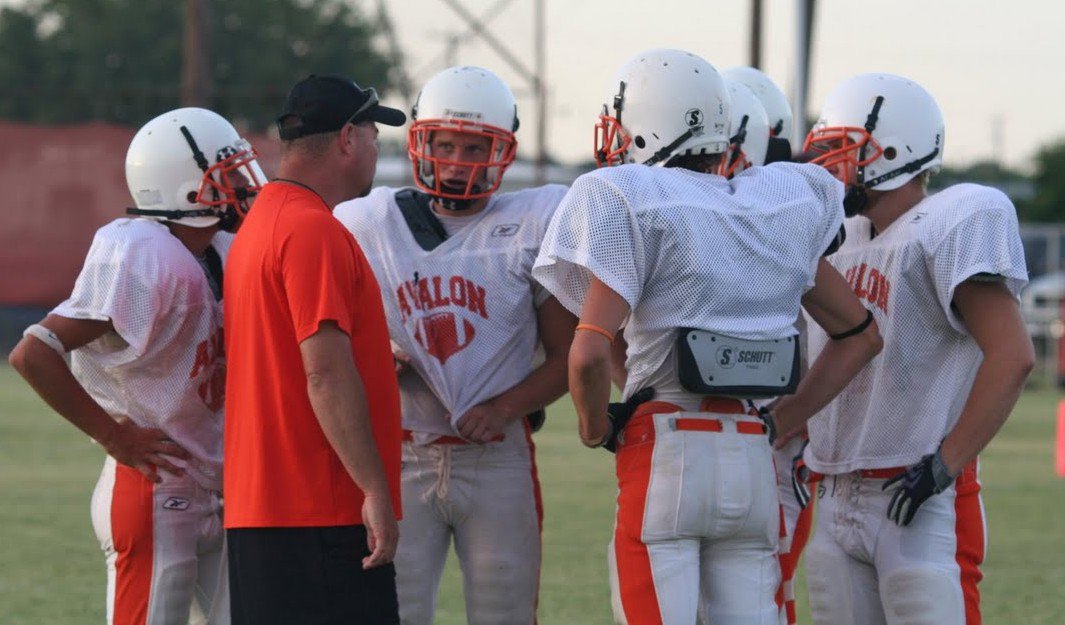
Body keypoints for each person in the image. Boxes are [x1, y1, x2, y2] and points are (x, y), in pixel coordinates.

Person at [533, 48, 882, 625]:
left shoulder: (628, 197)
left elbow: (590, 352)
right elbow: (862, 336)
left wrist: (599, 429)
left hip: (666, 450)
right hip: (752, 451)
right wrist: (783, 420)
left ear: (643, 126)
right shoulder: (777, 203)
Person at [333, 65, 576, 625]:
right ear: (422, 140)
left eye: (474, 146)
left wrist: (506, 407)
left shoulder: (533, 219)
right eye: (445, 144)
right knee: (393, 612)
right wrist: (373, 361)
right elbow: (329, 342)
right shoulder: (366, 221)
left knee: (506, 613)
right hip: (398, 452)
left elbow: (569, 357)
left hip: (496, 457)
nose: (458, 160)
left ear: (502, 150)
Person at [8, 107, 263, 625]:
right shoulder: (142, 253)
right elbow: (34, 352)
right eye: (228, 172)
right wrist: (113, 435)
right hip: (155, 483)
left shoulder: (223, 247)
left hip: (218, 479)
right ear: (187, 185)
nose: (243, 184)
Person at [797, 73, 1033, 625]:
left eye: (842, 149)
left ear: (894, 150)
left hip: (918, 490)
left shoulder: (953, 219)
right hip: (834, 491)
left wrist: (946, 464)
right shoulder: (838, 238)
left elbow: (1013, 355)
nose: (829, 165)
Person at [222, 74, 407, 625]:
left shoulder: (261, 223)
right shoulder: (312, 230)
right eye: (374, 133)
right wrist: (374, 489)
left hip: (261, 509)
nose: (378, 148)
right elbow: (324, 374)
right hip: (319, 509)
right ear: (348, 137)